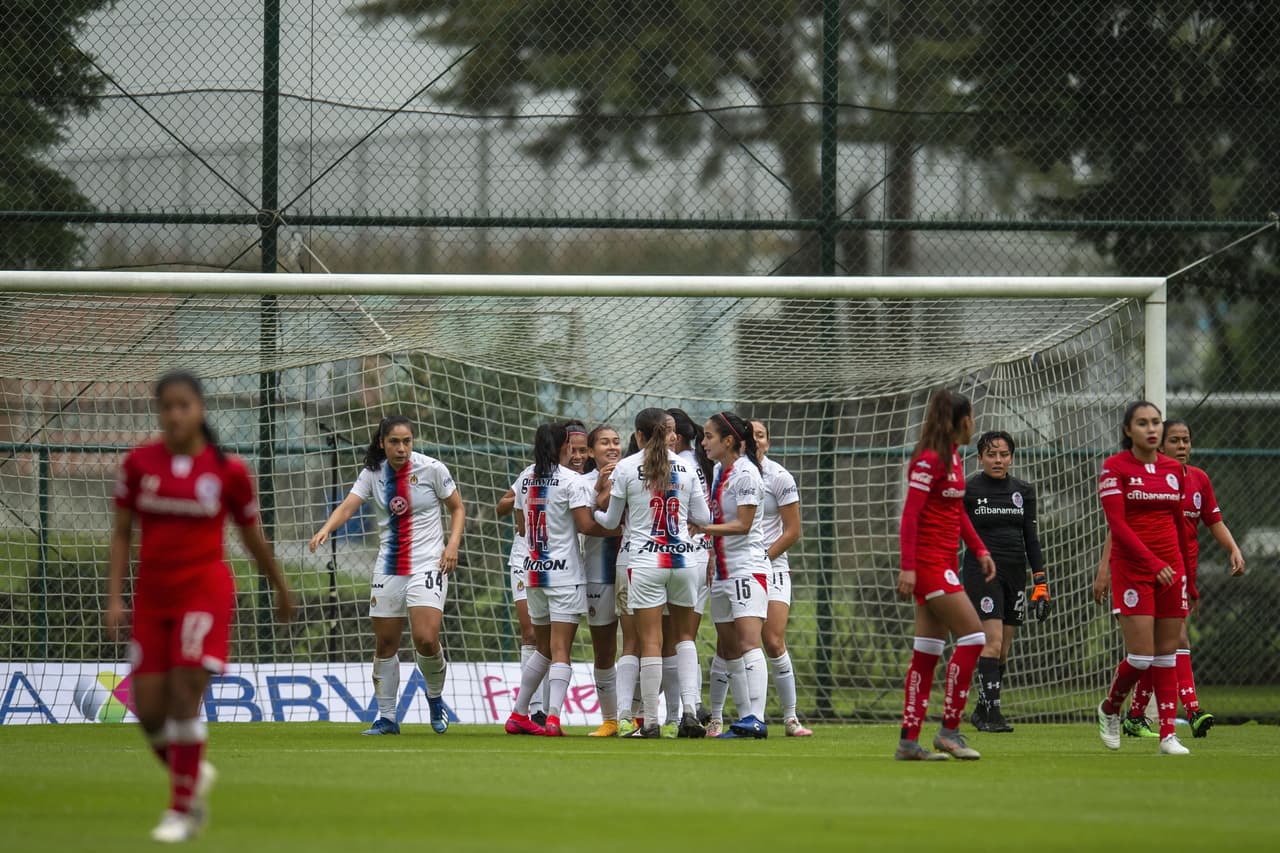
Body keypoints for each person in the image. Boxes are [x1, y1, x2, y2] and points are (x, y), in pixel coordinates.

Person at [107, 370, 293, 842]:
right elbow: (122, 533)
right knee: (148, 711)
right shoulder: (138, 465)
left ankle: (181, 809)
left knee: (186, 696)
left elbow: (252, 536)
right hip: (153, 597)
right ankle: (189, 772)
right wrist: (114, 597)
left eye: (183, 405)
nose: (174, 414)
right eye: (166, 406)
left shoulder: (227, 472)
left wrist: (278, 585)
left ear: (200, 409)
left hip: (203, 594)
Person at [310, 415, 465, 737]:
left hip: (428, 565)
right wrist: (326, 528)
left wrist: (451, 546)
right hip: (389, 567)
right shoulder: (373, 473)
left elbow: (457, 508)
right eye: (394, 442)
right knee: (385, 643)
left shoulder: (432, 468)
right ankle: (387, 717)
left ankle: (435, 698)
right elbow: (349, 506)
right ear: (382, 443)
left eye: (407, 441)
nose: (402, 448)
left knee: (426, 638)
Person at [1094, 419, 1246, 740]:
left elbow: (1213, 520)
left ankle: (1142, 717)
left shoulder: (1198, 480)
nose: (1182, 447)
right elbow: (1117, 527)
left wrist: (1233, 549)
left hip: (1178, 571)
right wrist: (1105, 569)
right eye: (1174, 441)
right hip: (1140, 570)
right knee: (1165, 645)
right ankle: (1189, 709)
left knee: (1164, 646)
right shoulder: (1143, 477)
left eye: (1186, 440)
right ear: (1160, 446)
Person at [594, 408, 712, 739]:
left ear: (639, 436)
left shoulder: (628, 468)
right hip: (684, 561)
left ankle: (649, 722)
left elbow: (612, 520)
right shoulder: (688, 467)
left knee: (649, 641)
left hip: (645, 563)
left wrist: (593, 510)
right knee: (684, 639)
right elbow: (702, 517)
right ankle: (689, 712)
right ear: (669, 434)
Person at [895, 388, 995, 761]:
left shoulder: (953, 456)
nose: (974, 424)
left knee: (928, 651)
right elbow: (911, 515)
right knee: (974, 636)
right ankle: (950, 731)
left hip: (944, 563)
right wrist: (908, 567)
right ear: (962, 421)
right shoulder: (929, 460)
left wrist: (980, 549)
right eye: (971, 417)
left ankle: (908, 742)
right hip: (929, 565)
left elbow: (955, 511)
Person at [505, 423, 617, 737]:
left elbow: (521, 527)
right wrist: (620, 530)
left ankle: (518, 714)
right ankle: (553, 719)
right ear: (563, 447)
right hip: (565, 575)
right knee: (559, 651)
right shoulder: (572, 481)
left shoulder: (526, 478)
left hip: (533, 572)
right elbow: (586, 526)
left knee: (542, 649)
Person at [1094, 401, 1192, 755]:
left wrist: (1189, 578)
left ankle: (1168, 735)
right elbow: (1117, 525)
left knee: (1168, 653)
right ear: (1127, 430)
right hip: (1134, 570)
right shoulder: (1114, 468)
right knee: (1141, 657)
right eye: (1142, 423)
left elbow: (1180, 525)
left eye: (1155, 423)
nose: (1151, 429)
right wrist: (1152, 563)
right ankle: (1110, 708)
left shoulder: (1173, 470)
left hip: (1171, 570)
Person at [961, 430, 1050, 733]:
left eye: (1003, 454)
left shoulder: (1023, 491)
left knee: (1004, 649)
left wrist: (1040, 581)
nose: (998, 460)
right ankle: (994, 714)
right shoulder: (969, 489)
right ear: (980, 457)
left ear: (1011, 457)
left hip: (1016, 574)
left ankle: (981, 711)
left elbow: (1031, 538)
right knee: (992, 641)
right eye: (991, 454)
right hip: (982, 573)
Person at [699, 411, 772, 739]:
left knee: (748, 642)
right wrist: (712, 552)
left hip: (747, 567)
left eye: (709, 437)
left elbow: (743, 526)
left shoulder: (747, 474)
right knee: (727, 647)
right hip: (724, 572)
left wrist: (703, 528)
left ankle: (757, 717)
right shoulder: (718, 470)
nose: (704, 443)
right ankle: (744, 720)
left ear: (729, 441)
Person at [751, 419, 811, 737]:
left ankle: (790, 718)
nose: (756, 440)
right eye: (750, 435)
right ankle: (738, 717)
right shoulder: (727, 474)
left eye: (761, 435)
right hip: (738, 567)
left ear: (768, 442)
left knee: (773, 641)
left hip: (771, 566)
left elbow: (793, 531)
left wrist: (762, 557)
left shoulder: (779, 477)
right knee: (734, 644)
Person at [581, 424, 625, 736]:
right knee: (604, 650)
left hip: (633, 568)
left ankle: (635, 715)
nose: (611, 447)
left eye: (616, 442)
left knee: (639, 646)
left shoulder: (635, 473)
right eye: (604, 443)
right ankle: (610, 719)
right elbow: (583, 523)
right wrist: (599, 490)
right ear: (591, 450)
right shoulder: (580, 483)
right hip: (597, 573)